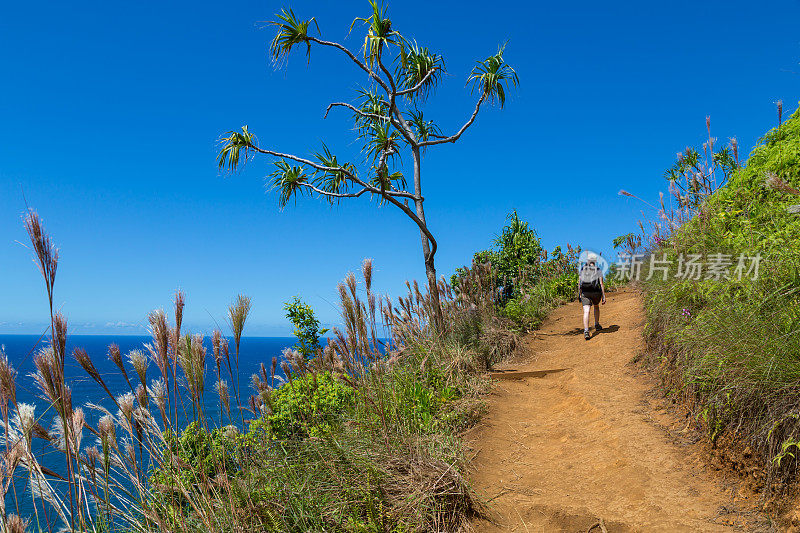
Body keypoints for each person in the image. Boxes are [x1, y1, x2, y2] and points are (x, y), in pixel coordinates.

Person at [577, 252, 606, 340]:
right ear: (595, 261)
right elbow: (601, 284)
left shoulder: (583, 269)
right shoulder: (598, 270)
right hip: (596, 293)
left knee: (586, 311)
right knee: (596, 306)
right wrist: (603, 296)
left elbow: (579, 283)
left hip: (585, 292)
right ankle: (596, 324)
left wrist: (579, 294)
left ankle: (586, 331)